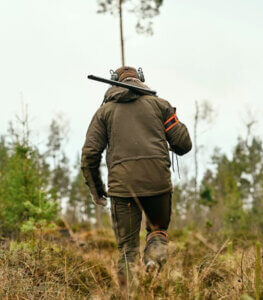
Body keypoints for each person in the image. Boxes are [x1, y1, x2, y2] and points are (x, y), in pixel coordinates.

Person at [81, 66, 192, 284]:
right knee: (157, 233)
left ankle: (129, 293)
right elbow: (183, 144)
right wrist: (169, 115)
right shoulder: (160, 105)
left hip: (122, 190)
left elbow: (90, 154)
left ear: (113, 82)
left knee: (127, 250)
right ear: (140, 80)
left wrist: (97, 190)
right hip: (157, 184)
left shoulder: (103, 113)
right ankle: (152, 263)